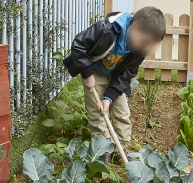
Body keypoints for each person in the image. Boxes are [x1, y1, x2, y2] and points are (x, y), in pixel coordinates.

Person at [63, 7, 166, 152]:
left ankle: (119, 150)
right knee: (97, 114)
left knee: (122, 113)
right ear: (135, 28)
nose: (145, 47)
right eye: (144, 41)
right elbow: (79, 46)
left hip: (116, 77)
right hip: (95, 72)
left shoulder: (140, 50)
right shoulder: (106, 29)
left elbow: (127, 74)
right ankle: (102, 152)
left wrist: (109, 98)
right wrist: (87, 74)